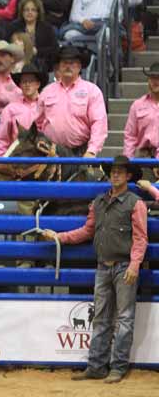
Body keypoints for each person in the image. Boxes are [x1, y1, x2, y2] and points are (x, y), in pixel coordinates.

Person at [42, 156, 147, 384]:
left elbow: (140, 238)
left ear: (128, 176)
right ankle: (97, 366)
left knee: (123, 318)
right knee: (102, 318)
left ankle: (116, 366)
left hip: (122, 267)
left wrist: (134, 264)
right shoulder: (99, 202)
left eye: (120, 171)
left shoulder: (135, 203)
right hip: (105, 266)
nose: (115, 174)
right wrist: (59, 236)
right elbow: (86, 231)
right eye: (113, 171)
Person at [36, 45, 107, 157]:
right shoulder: (46, 91)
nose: (68, 66)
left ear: (79, 67)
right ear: (59, 66)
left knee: (89, 175)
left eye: (72, 63)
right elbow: (38, 123)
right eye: (64, 63)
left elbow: (99, 123)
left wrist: (92, 150)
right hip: (50, 153)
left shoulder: (92, 91)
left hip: (81, 153)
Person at [0, 63, 46, 157]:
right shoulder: (10, 109)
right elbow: (2, 140)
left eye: (31, 81)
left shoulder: (47, 106)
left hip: (42, 156)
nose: (27, 84)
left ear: (38, 84)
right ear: (20, 85)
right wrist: (0, 161)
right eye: (24, 81)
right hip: (17, 158)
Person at [2, 0, 58, 73]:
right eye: (26, 10)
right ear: (22, 12)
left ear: (38, 12)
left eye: (33, 10)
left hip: (41, 66)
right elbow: (5, 46)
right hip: (17, 64)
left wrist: (37, 51)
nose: (30, 12)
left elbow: (54, 49)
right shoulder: (13, 27)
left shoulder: (47, 28)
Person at [123, 62, 159, 178]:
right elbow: (130, 136)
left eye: (158, 78)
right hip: (143, 158)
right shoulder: (137, 105)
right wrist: (127, 163)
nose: (155, 81)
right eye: (152, 77)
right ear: (148, 80)